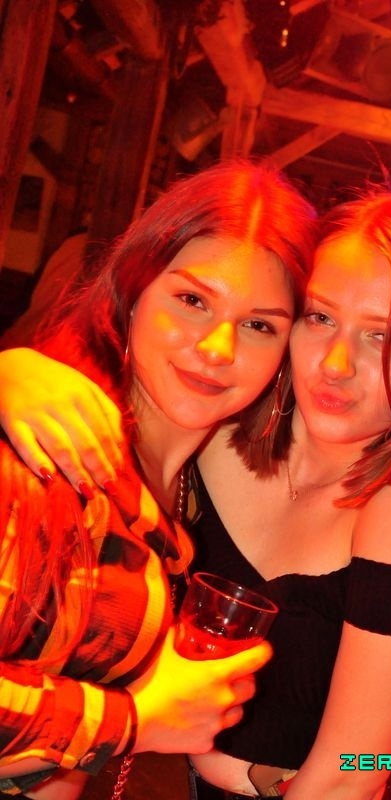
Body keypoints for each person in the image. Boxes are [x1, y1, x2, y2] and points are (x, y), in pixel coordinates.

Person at [0, 188, 391, 800]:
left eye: (384, 338)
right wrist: (14, 372)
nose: (336, 363)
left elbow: (353, 772)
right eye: (320, 317)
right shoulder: (216, 422)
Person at [0, 159, 317, 800]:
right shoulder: (45, 465)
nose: (219, 347)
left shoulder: (196, 485)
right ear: (133, 288)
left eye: (260, 325)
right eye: (192, 300)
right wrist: (135, 721)